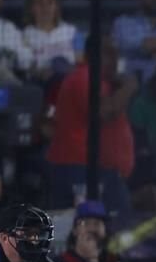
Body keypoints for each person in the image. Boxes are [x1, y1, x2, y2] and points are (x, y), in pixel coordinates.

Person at [46, 35, 138, 213]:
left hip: (96, 170)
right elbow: (105, 112)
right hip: (81, 168)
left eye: (116, 54)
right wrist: (129, 86)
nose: (115, 60)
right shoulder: (86, 76)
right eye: (110, 54)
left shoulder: (101, 80)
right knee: (100, 227)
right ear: (95, 54)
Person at [22, 0, 85, 82]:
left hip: (69, 82)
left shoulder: (73, 32)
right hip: (41, 83)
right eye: (40, 2)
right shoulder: (25, 35)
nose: (45, 7)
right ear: (32, 8)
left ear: (56, 7)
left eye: (50, 2)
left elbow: (80, 63)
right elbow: (28, 68)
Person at [54, 200, 120, 262]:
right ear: (75, 230)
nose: (91, 229)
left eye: (97, 223)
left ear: (105, 230)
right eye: (85, 223)